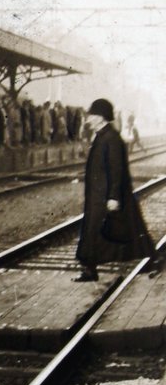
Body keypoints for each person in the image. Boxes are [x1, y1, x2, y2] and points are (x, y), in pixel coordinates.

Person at [75, 98, 156, 281]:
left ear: (101, 117)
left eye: (92, 115)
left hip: (105, 196)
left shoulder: (111, 138)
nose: (88, 119)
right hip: (98, 195)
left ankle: (152, 259)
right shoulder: (103, 136)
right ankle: (89, 269)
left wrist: (113, 196)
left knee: (114, 230)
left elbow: (116, 169)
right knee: (97, 231)